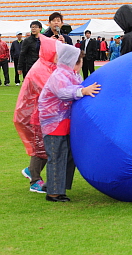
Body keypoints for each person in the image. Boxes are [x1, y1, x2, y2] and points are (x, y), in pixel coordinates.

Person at [39, 43, 101, 202]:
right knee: (58, 155)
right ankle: (54, 193)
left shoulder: (73, 75)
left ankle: (55, 185)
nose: (81, 65)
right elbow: (63, 92)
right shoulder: (59, 75)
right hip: (54, 123)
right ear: (74, 62)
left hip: (66, 122)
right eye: (80, 62)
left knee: (68, 155)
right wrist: (82, 91)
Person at [14, 34, 58, 193]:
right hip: (35, 116)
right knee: (41, 148)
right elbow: (51, 91)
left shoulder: (47, 66)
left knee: (45, 147)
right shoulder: (41, 70)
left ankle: (30, 170)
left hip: (41, 115)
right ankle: (35, 180)